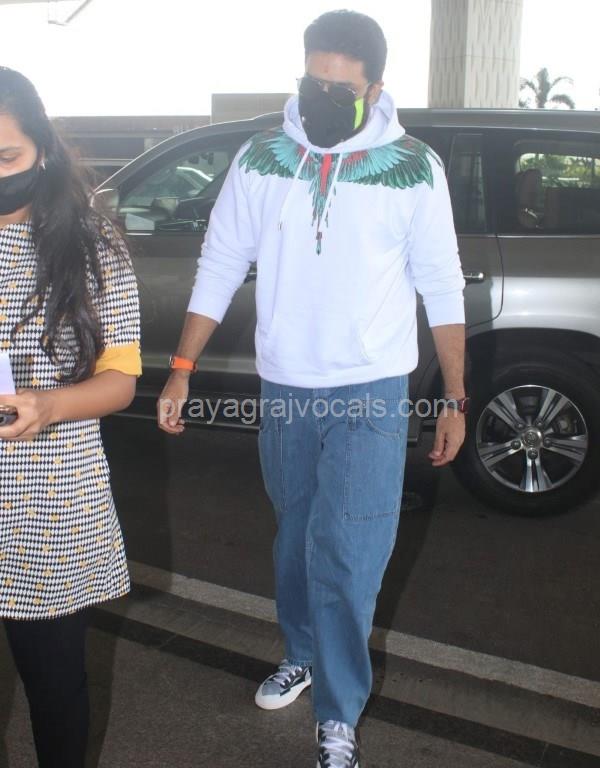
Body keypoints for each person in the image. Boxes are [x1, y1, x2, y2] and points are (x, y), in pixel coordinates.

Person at [159, 10, 466, 766]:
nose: (323, 98)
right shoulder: (261, 158)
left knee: (350, 554)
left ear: (375, 90)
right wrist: (182, 369)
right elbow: (221, 261)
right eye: (312, 83)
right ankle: (301, 653)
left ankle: (338, 714)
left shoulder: (414, 166)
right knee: (296, 538)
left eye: (342, 90)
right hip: (286, 388)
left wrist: (455, 398)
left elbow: (441, 284)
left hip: (372, 390)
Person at [0, 67, 141, 768]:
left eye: (6, 157)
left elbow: (119, 380)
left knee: (55, 687)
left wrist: (50, 403)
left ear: (43, 151)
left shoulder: (94, 246)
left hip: (49, 499)